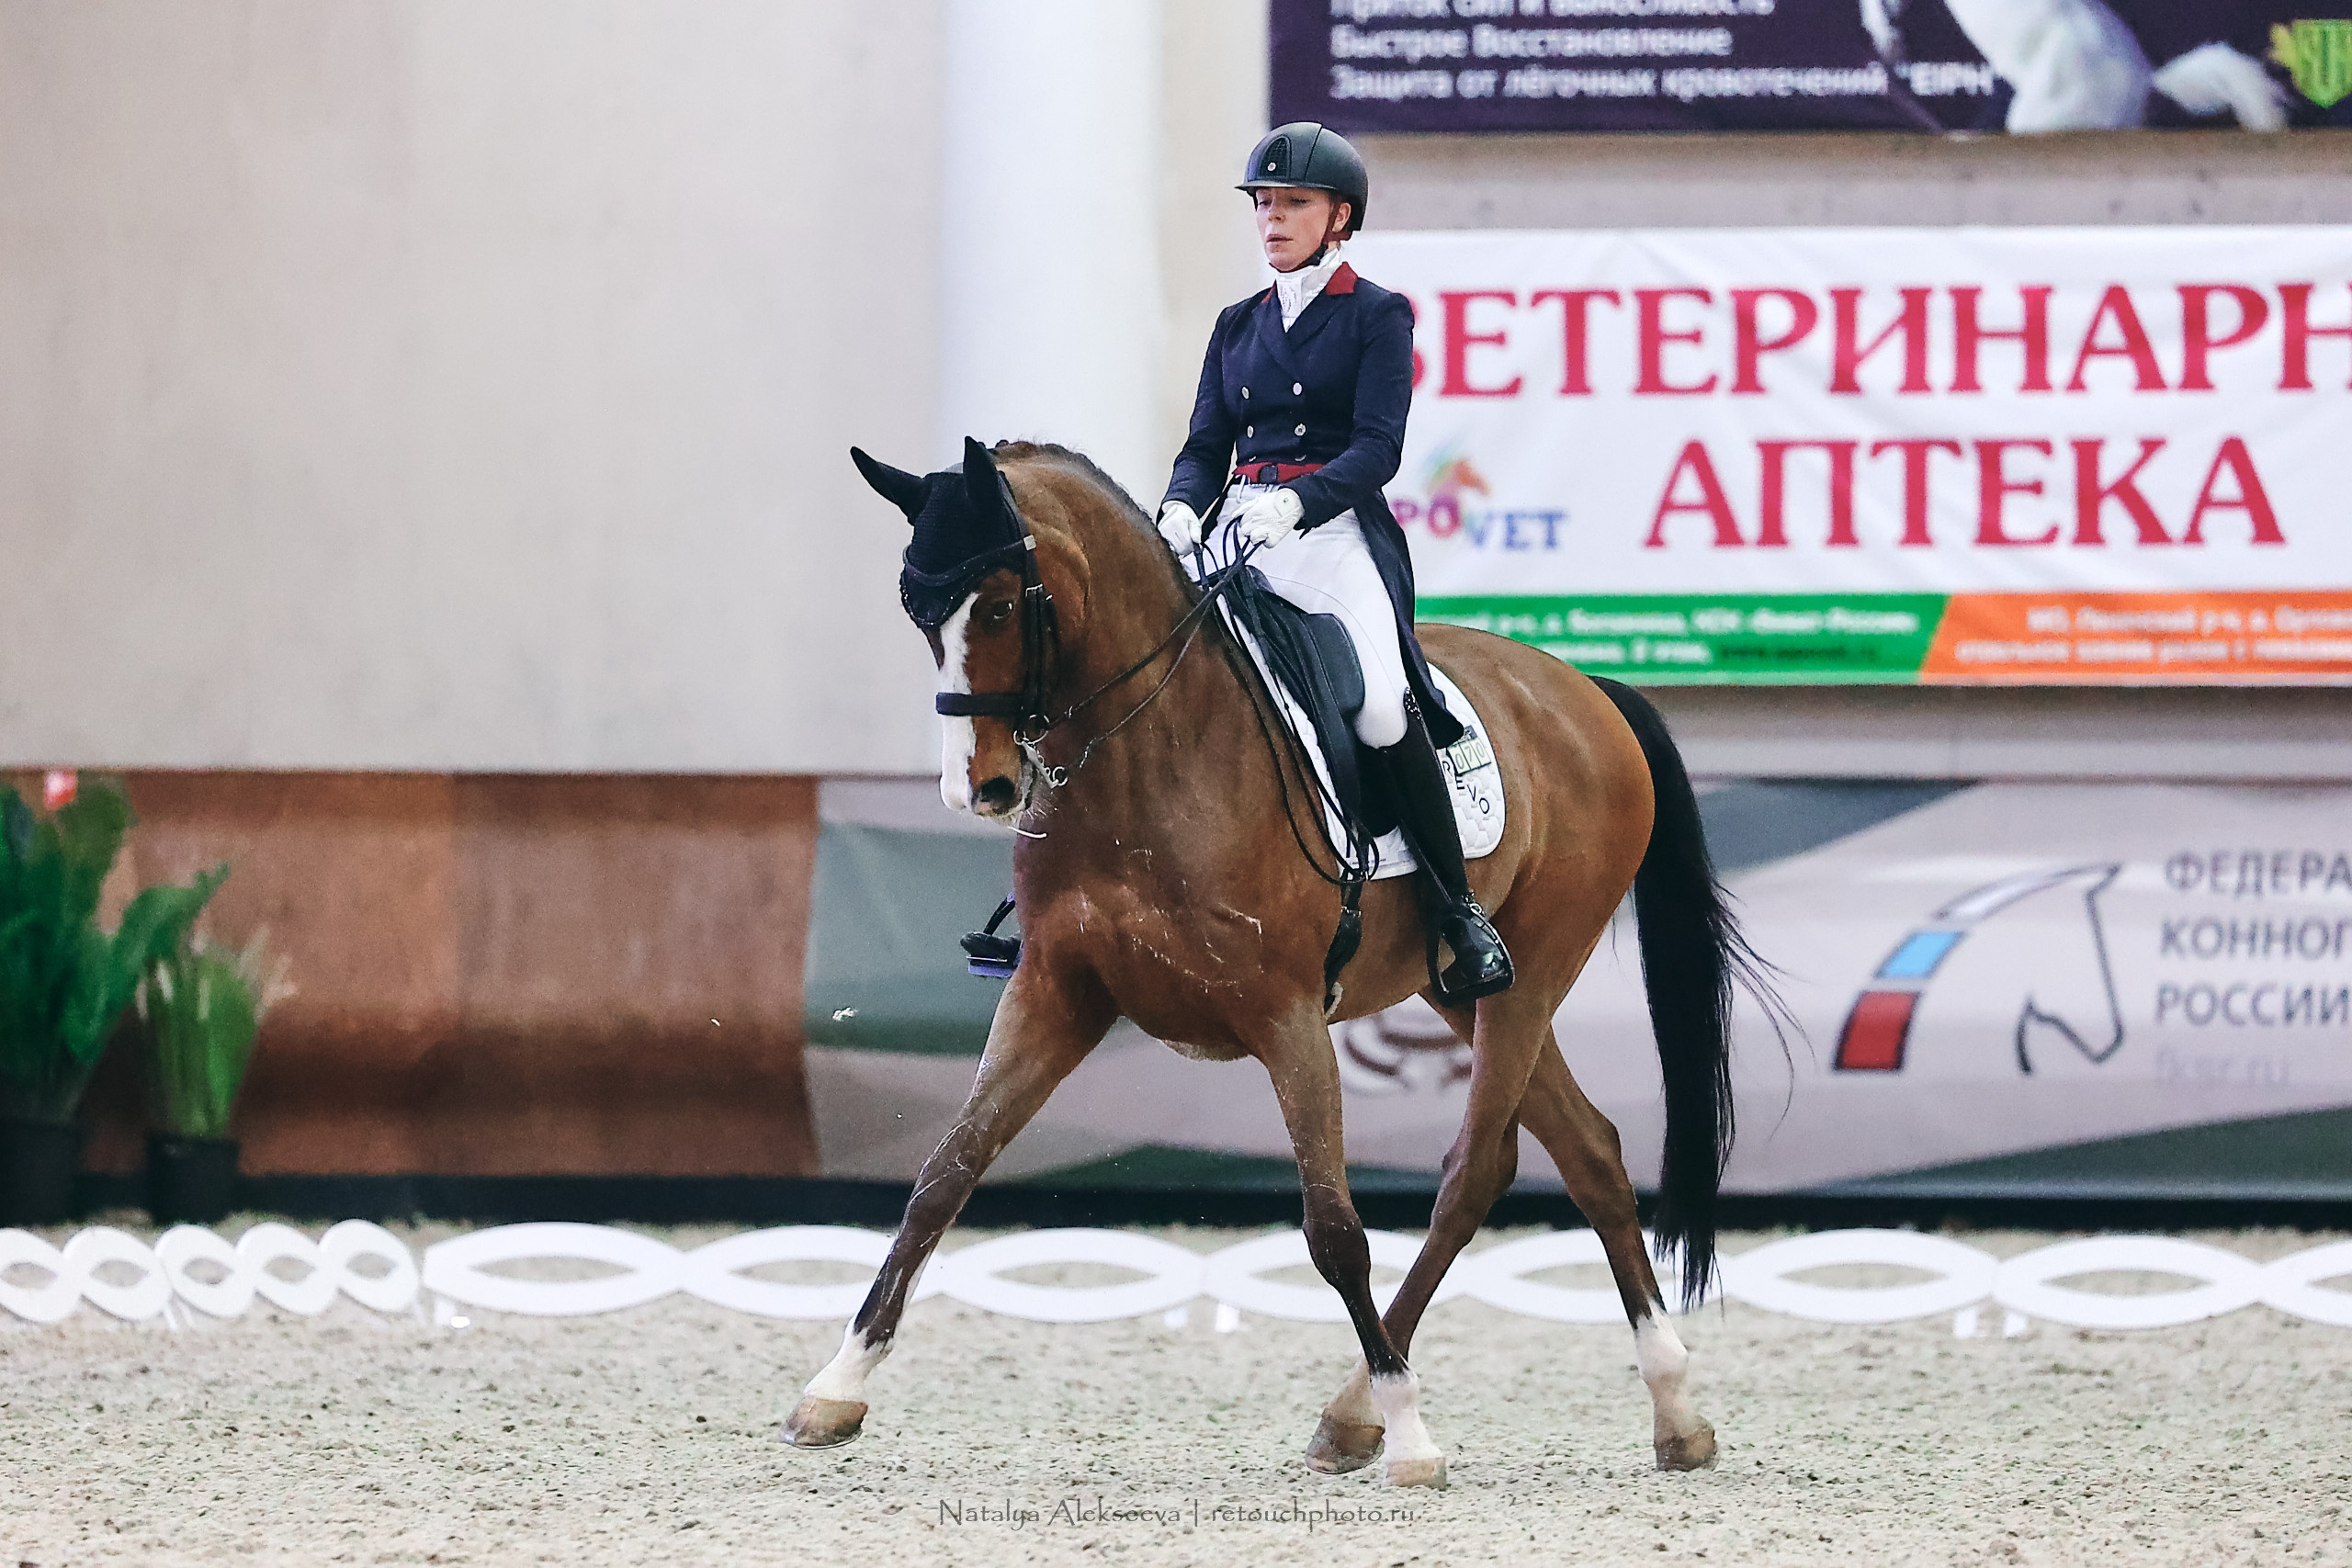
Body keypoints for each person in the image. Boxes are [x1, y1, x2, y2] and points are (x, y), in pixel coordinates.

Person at [1159, 121, 1511, 1002]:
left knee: (1385, 705)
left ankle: (1458, 907)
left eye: (1293, 205)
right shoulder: (1236, 325)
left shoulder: (1377, 314)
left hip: (1332, 531)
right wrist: (1178, 506)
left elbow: (1379, 450)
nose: (1272, 220)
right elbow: (1207, 443)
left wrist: (1298, 501)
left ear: (1338, 216)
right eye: (1264, 204)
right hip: (1240, 530)